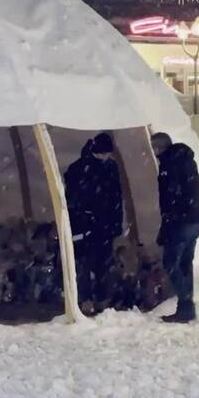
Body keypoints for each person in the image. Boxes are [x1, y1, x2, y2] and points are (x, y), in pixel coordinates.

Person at [64, 132, 123, 316]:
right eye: (103, 153)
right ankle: (86, 300)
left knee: (103, 264)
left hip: (104, 226)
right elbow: (72, 200)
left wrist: (115, 223)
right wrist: (83, 218)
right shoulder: (78, 169)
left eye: (108, 154)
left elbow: (116, 197)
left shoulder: (110, 167)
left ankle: (101, 300)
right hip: (85, 226)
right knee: (84, 264)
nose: (106, 157)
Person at [151, 132, 199, 323]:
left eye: (154, 147)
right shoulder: (184, 160)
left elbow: (171, 198)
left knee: (171, 262)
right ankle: (185, 307)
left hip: (181, 222)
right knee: (185, 263)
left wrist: (169, 222)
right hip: (195, 220)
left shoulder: (169, 165)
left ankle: (186, 303)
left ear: (159, 147)